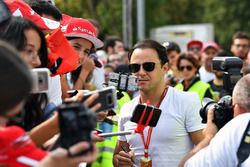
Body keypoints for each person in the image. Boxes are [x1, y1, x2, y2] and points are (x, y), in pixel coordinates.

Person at [0, 40, 98, 167]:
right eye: (29, 50)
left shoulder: (12, 136)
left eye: (86, 51)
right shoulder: (8, 135)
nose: (37, 61)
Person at [113, 39, 204, 167]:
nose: (141, 72)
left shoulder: (187, 101)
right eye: (135, 67)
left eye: (148, 66)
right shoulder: (127, 108)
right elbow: (118, 156)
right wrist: (119, 160)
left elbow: (205, 150)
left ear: (165, 68)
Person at [180, 74, 250, 167]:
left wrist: (209, 137)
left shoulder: (241, 125)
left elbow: (185, 165)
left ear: (236, 108)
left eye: (232, 107)